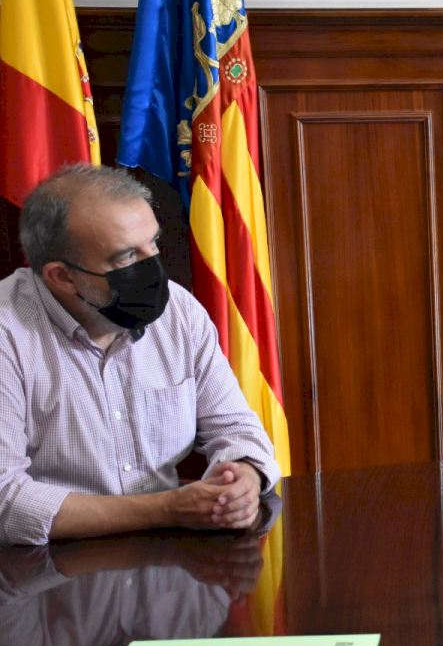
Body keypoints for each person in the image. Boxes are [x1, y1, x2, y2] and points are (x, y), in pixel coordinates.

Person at [0, 164, 281, 545]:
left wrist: (242, 479)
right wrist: (167, 509)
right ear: (62, 276)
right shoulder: (8, 333)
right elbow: (6, 501)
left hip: (172, 560)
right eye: (128, 257)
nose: (153, 268)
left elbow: (237, 430)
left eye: (153, 243)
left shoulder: (179, 311)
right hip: (48, 566)